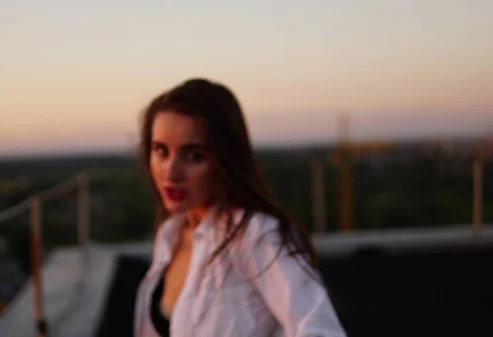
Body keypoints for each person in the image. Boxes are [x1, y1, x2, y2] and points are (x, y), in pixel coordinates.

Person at [133, 78, 347, 337]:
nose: (171, 172)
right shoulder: (170, 234)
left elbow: (321, 330)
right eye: (161, 151)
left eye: (194, 155)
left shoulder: (256, 234)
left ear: (226, 158)